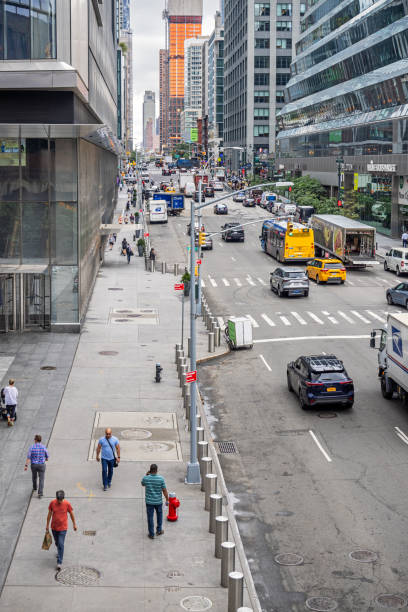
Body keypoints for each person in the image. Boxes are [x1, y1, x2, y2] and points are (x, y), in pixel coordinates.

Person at [46, 490, 77, 570]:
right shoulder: (52, 503)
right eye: (58, 499)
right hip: (54, 527)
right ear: (56, 498)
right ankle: (59, 551)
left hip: (63, 528)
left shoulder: (67, 504)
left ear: (63, 498)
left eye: (61, 499)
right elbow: (49, 514)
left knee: (61, 543)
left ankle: (59, 562)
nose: (60, 501)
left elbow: (71, 514)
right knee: (57, 542)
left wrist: (74, 524)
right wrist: (47, 525)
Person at [141, 464, 169, 539]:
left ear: (150, 470)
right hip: (158, 502)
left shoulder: (146, 478)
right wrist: (167, 499)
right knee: (159, 516)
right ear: (156, 470)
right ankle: (159, 530)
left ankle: (151, 534)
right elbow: (164, 490)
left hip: (149, 502)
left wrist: (146, 475)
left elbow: (142, 484)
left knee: (150, 517)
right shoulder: (161, 479)